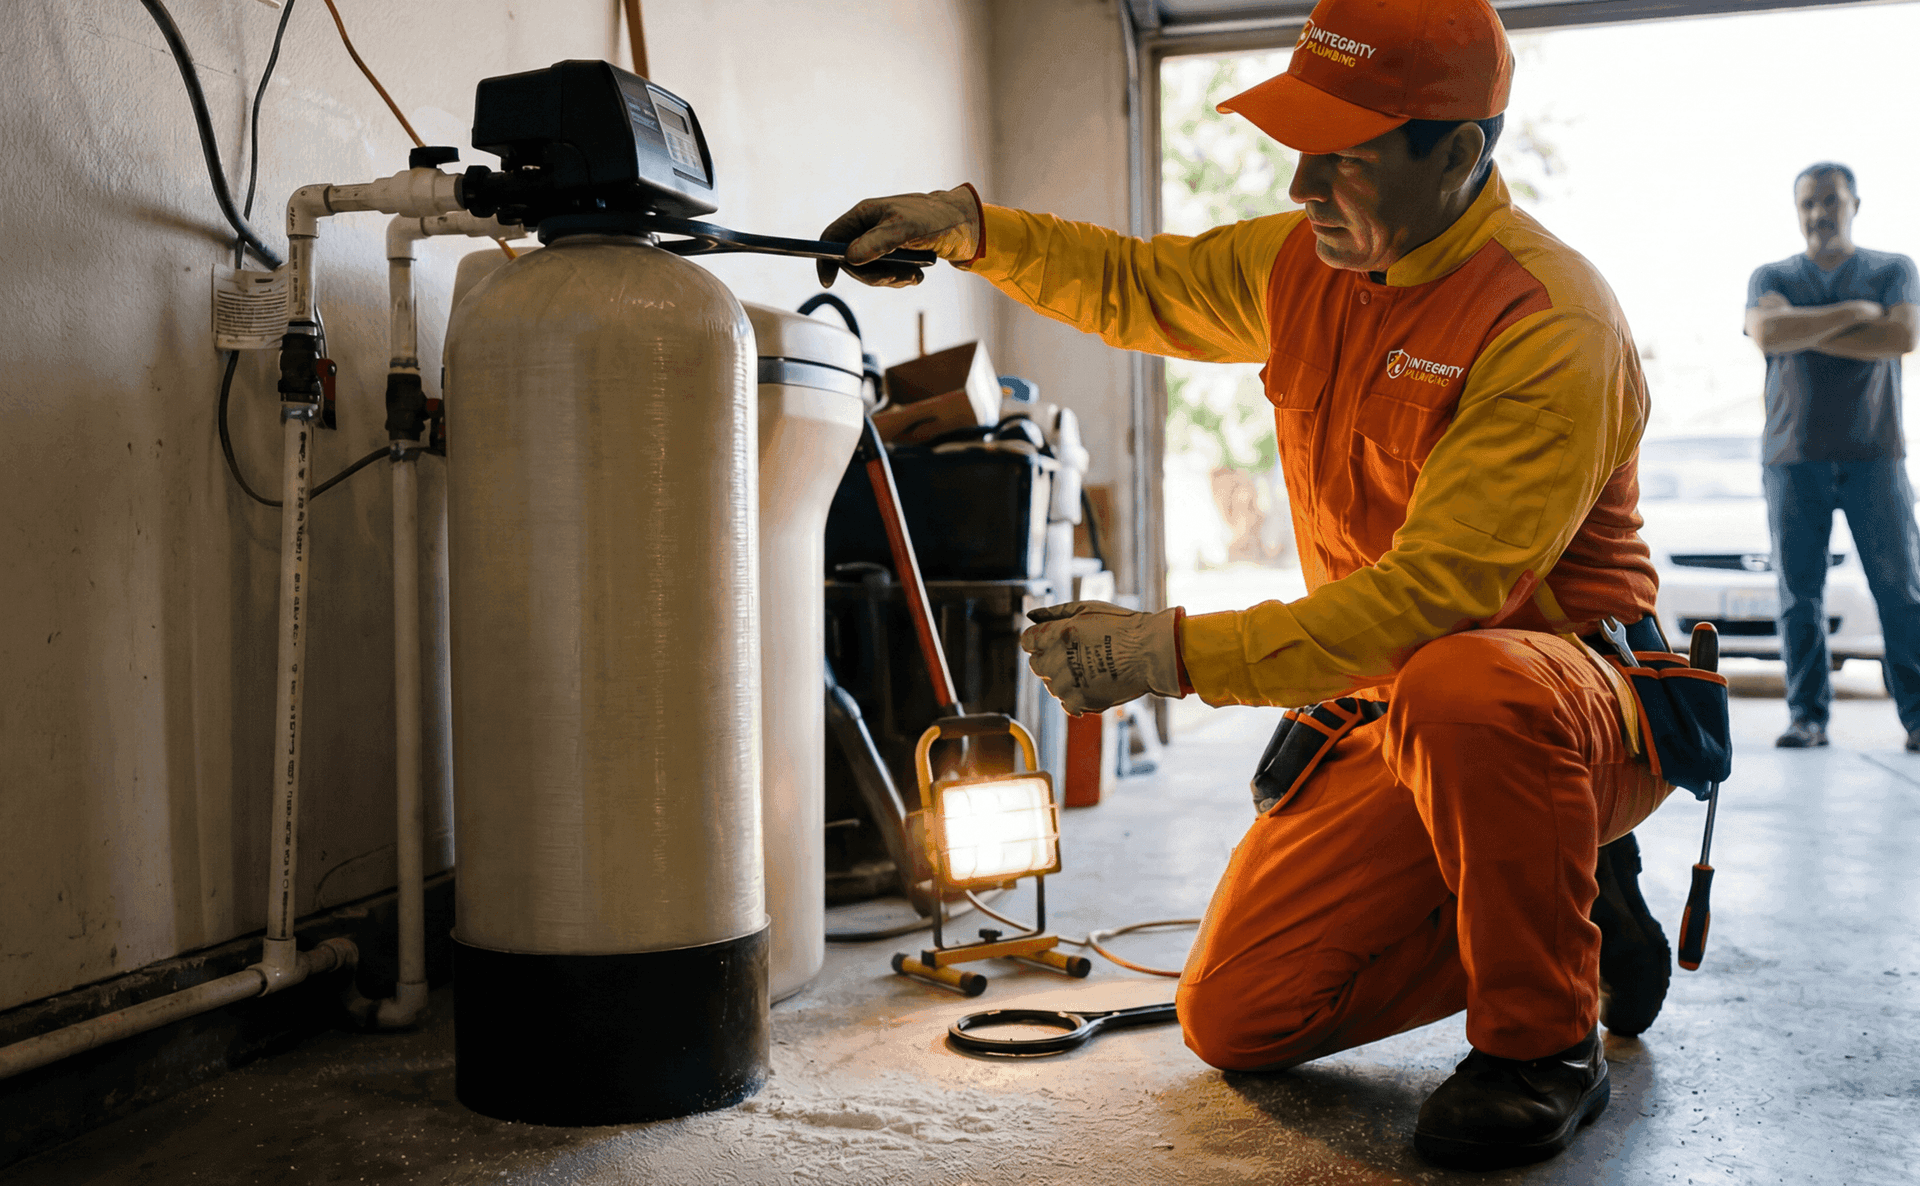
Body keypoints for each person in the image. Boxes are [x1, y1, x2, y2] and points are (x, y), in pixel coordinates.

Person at [819, 0, 1678, 1169]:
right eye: (1300, 147)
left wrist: (1165, 653)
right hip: (1402, 709)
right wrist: (969, 229)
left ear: (1462, 154)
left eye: (1346, 156)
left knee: (1468, 681)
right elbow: (1134, 282)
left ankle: (1542, 1039)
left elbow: (1439, 600)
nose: (1303, 184)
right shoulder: (1305, 265)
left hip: (1567, 703)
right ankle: (1569, 896)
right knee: (1241, 1016)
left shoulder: (1546, 322)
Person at [1744, 163, 1920, 751]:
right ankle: (1808, 718)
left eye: (1830, 202)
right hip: (1792, 458)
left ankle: (1918, 718)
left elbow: (1901, 338)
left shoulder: (1893, 269)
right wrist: (1857, 314)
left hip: (1877, 456)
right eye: (1808, 204)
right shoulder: (1771, 274)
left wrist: (1804, 329)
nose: (1819, 214)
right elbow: (1767, 335)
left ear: (1854, 204)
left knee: (1900, 590)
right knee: (1799, 595)